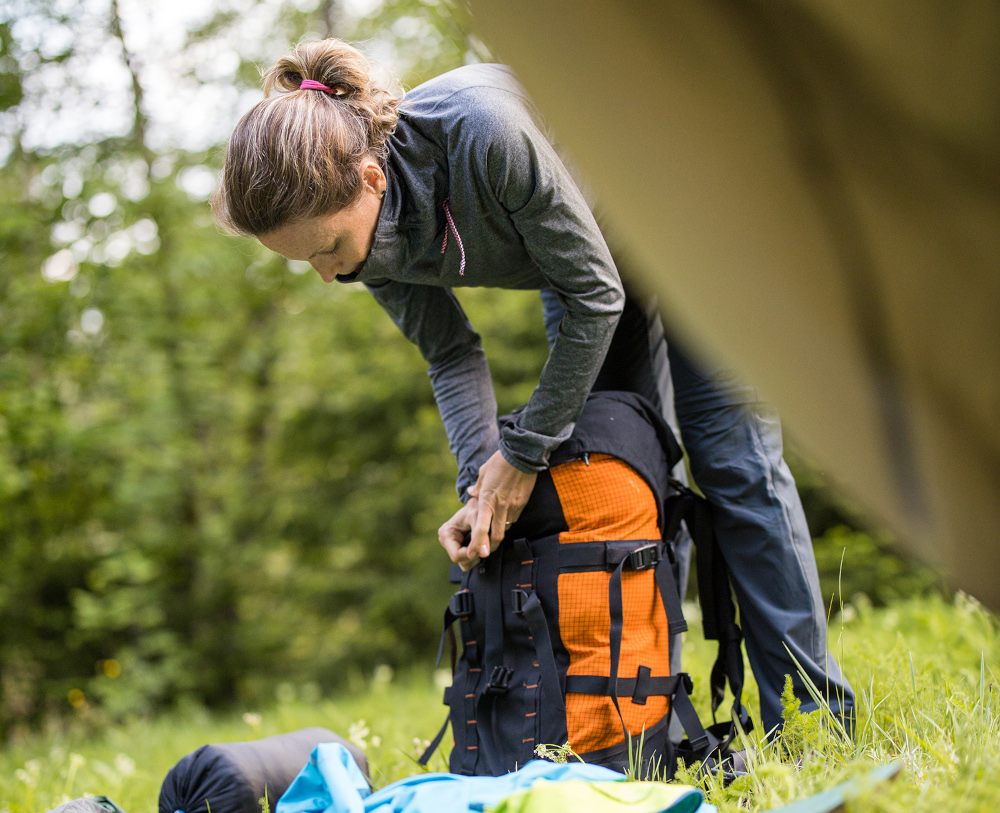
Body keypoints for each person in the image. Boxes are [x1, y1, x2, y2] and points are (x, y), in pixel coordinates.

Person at [211, 38, 854, 735]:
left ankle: (814, 719)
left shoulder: (483, 134)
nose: (329, 274)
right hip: (583, 270)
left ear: (371, 178)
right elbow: (451, 351)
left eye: (328, 249)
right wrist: (482, 493)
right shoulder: (366, 244)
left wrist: (522, 454)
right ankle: (646, 724)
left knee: (733, 459)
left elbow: (595, 296)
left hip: (692, 218)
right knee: (627, 485)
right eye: (306, 260)